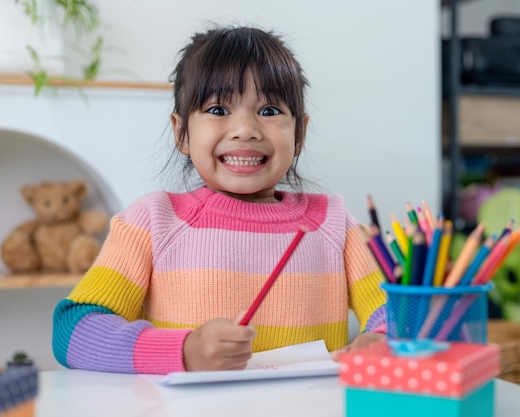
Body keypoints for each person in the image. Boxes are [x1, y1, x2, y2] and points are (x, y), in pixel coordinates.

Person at [52, 25, 387, 374]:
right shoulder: (152, 221)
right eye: (217, 109)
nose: (246, 129)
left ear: (299, 133)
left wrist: (381, 339)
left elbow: (396, 310)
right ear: (181, 132)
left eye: (270, 111)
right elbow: (72, 331)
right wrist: (183, 352)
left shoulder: (334, 222)